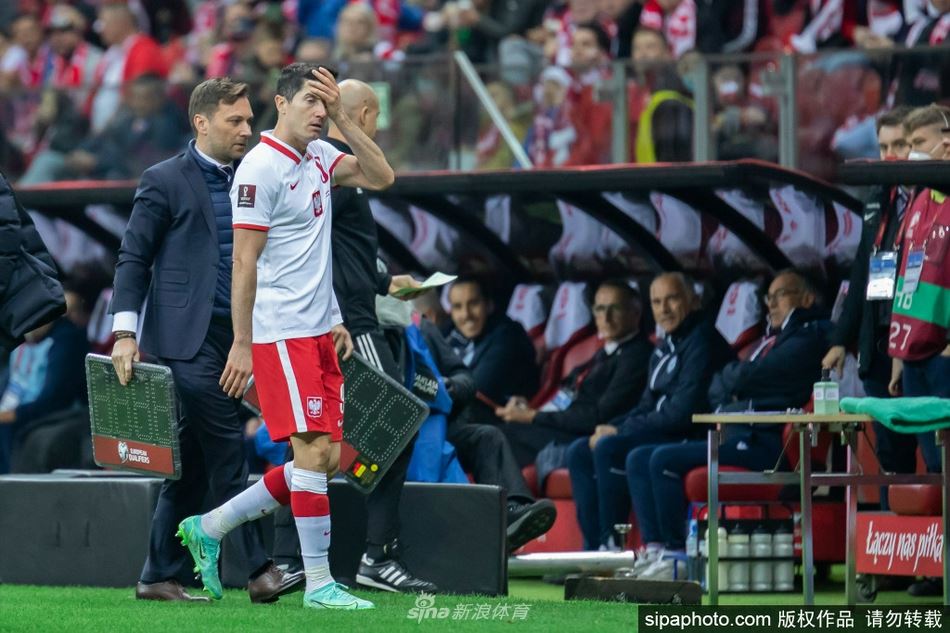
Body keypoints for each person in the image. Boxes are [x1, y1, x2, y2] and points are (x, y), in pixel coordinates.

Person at [178, 62, 395, 610]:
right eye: (311, 102)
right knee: (313, 451)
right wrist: (243, 342)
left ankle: (210, 526)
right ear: (281, 103)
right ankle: (320, 584)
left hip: (320, 330)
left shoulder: (320, 155)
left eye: (326, 103)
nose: (320, 113)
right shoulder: (259, 169)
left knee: (326, 460)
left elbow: (381, 177)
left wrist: (345, 116)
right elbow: (244, 263)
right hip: (282, 333)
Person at [109, 78, 300, 603]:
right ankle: (260, 571)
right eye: (234, 120)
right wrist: (124, 332)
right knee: (226, 448)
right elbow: (133, 257)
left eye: (249, 120)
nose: (246, 130)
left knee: (191, 464)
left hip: (242, 336)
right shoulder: (163, 179)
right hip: (184, 342)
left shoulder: (257, 173)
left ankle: (156, 575)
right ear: (201, 122)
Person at [627, 270, 830, 580]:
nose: (772, 304)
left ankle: (676, 556)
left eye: (781, 295)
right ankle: (655, 549)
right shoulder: (772, 340)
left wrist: (735, 380)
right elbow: (723, 383)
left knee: (662, 459)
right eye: (769, 297)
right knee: (639, 457)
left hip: (768, 446)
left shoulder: (808, 336)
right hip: (741, 437)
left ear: (806, 299)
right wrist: (735, 380)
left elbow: (749, 375)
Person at [325, 78, 437, 594]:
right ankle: (376, 553)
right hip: (352, 322)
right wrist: (342, 310)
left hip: (350, 310)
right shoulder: (337, 166)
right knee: (399, 423)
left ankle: (303, 553)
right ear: (366, 114)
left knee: (342, 435)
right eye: (374, 118)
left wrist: (385, 280)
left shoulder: (328, 168)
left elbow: (343, 250)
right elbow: (315, 245)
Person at [566, 273, 731, 551]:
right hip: (662, 429)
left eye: (672, 299)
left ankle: (613, 545)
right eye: (656, 302)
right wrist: (611, 427)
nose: (664, 309)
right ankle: (592, 548)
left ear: (694, 301)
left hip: (691, 433)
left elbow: (681, 413)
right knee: (580, 450)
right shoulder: (665, 346)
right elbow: (645, 405)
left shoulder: (703, 341)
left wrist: (619, 431)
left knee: (609, 448)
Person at [822, 107, 916, 509]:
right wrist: (840, 340)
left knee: (930, 452)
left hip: (918, 342)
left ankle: (932, 543)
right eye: (883, 146)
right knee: (889, 453)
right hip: (877, 342)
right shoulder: (878, 198)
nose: (890, 155)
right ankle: (892, 538)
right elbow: (862, 272)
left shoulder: (934, 196)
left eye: (901, 145)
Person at [496, 280, 653, 468]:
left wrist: (533, 416)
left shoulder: (637, 356)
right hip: (562, 425)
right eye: (600, 309)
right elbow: (566, 392)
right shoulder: (607, 351)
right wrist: (530, 407)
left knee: (498, 437)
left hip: (584, 436)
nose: (606, 317)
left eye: (615, 308)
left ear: (636, 313)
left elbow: (599, 416)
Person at [446, 278, 539, 427]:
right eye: (457, 306)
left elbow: (473, 393)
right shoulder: (452, 333)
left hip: (503, 427)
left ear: (489, 305)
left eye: (473, 303)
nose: (466, 314)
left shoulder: (507, 336)